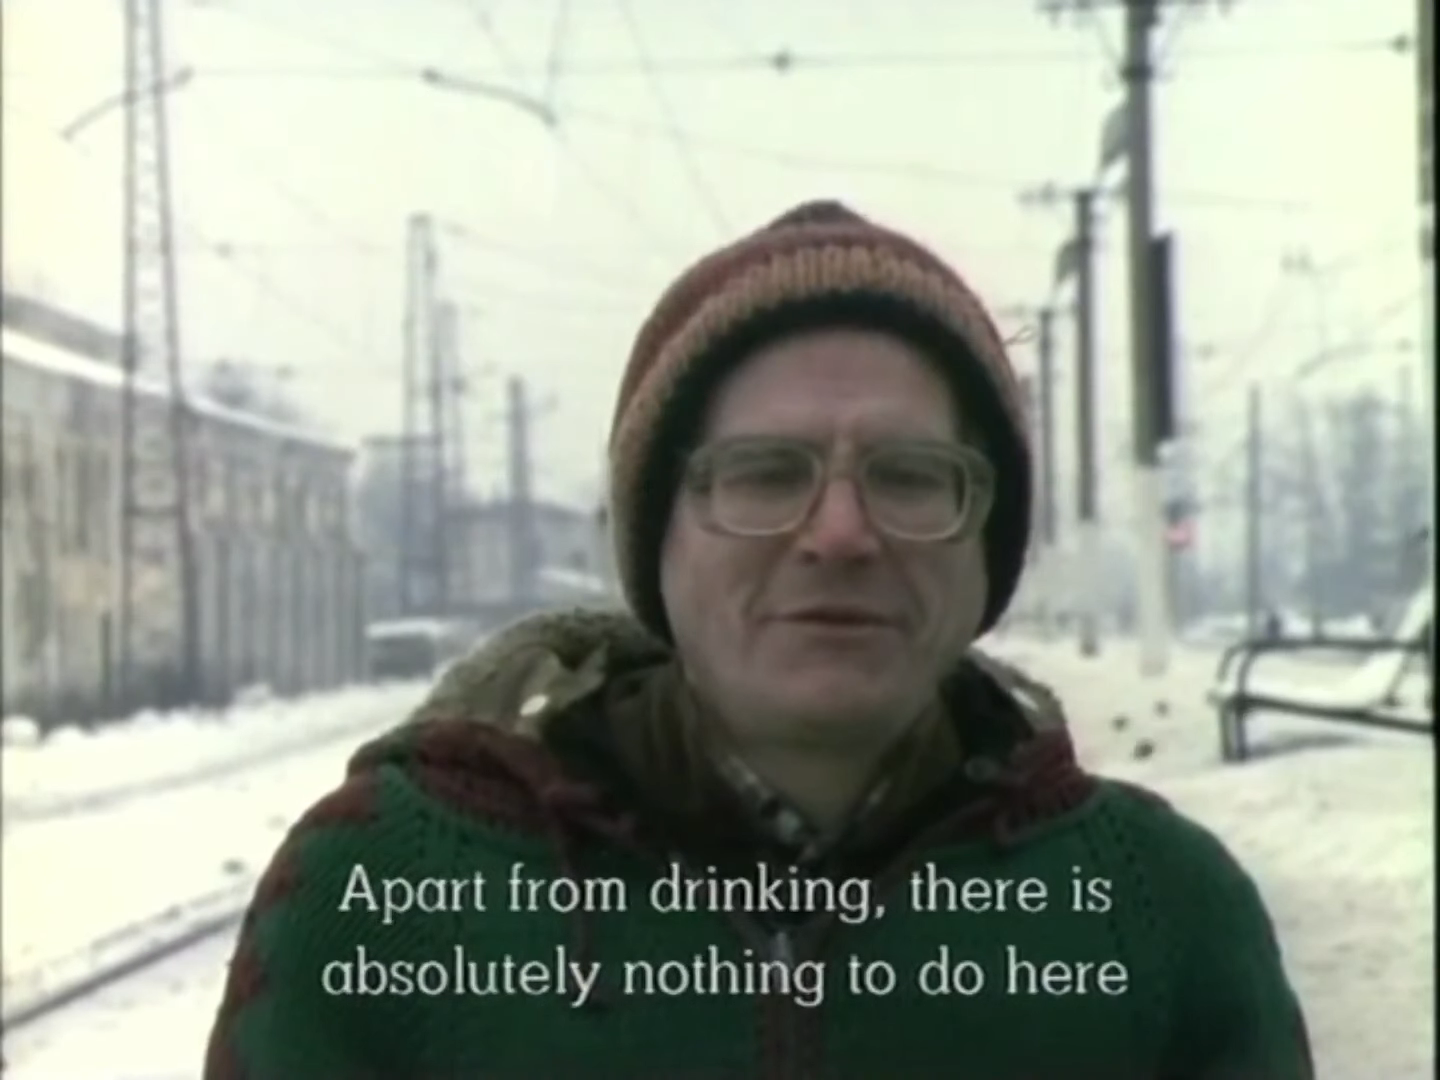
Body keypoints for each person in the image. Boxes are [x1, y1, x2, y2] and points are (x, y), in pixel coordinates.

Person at [203, 201, 1312, 1079]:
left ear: (989, 544)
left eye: (911, 476)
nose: (841, 533)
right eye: (765, 473)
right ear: (655, 544)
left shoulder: (1160, 912)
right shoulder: (384, 892)